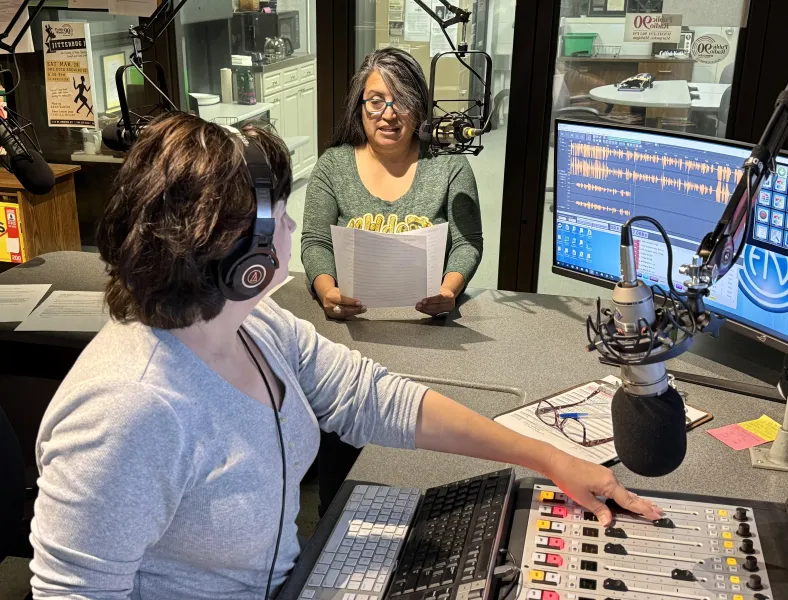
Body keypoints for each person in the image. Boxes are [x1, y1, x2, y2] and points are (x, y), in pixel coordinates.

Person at [30, 113, 660, 600]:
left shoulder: (254, 323)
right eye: (279, 212)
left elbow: (370, 397)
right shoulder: (128, 410)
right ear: (242, 254)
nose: (291, 229)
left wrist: (548, 457)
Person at [301, 48, 482, 320]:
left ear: (419, 107)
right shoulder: (333, 166)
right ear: (359, 106)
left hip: (428, 322)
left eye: (402, 102)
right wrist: (327, 292)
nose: (389, 115)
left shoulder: (450, 165)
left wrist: (448, 292)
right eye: (376, 102)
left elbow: (466, 243)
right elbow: (316, 242)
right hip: (352, 321)